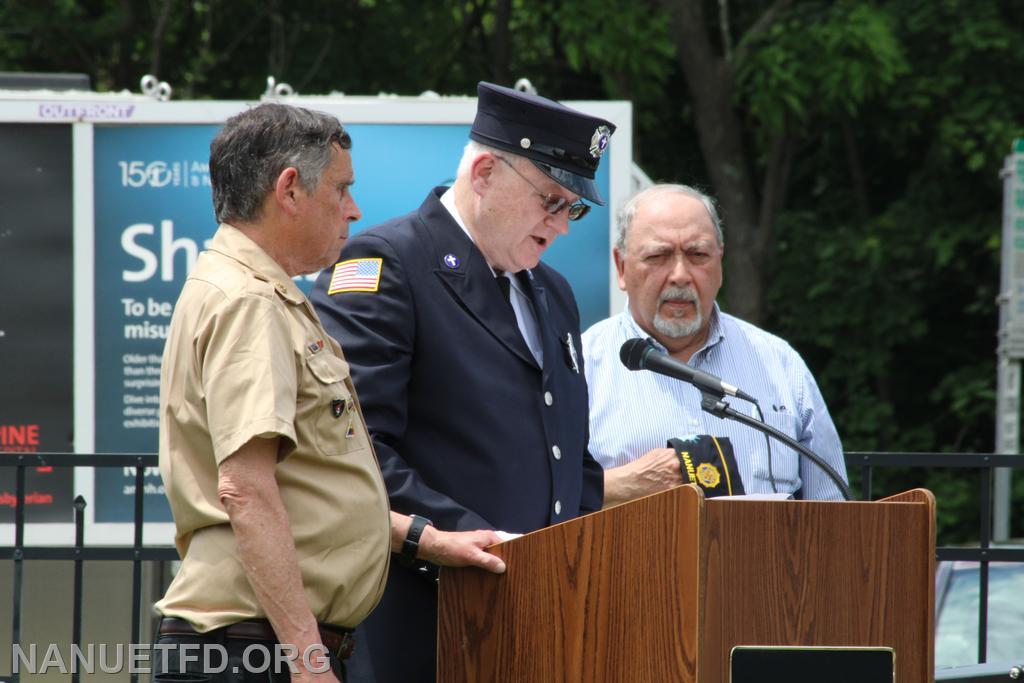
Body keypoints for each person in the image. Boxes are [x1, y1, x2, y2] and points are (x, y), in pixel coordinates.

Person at [153, 103, 505, 683]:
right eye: (341, 189)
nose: (355, 209)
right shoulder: (251, 302)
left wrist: (425, 539)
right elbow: (246, 489)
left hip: (256, 644)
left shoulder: (249, 289)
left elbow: (304, 486)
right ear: (289, 189)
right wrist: (308, 658)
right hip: (254, 649)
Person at [310, 82, 611, 682]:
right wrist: (474, 541)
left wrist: (574, 563)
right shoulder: (386, 262)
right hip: (420, 618)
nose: (562, 226)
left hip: (536, 616)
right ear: (484, 172)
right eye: (551, 201)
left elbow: (567, 453)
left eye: (572, 209)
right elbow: (355, 450)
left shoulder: (553, 292)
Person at [582, 184, 848, 506]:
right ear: (622, 267)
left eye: (697, 255)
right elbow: (544, 508)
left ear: (720, 261)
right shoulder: (580, 368)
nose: (680, 275)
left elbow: (833, 508)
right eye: (658, 256)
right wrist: (620, 485)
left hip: (766, 555)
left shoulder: (780, 364)